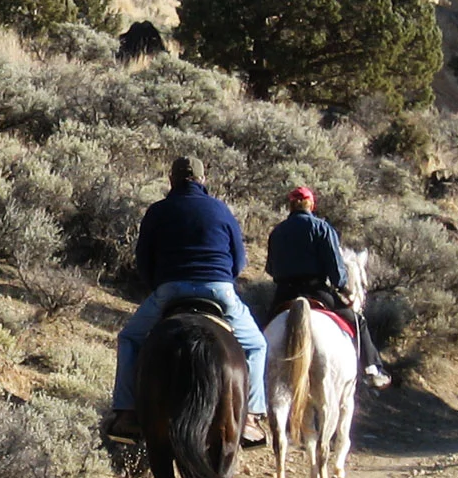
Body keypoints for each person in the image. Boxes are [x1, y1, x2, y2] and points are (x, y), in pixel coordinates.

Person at [105, 158, 266, 444]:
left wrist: (159, 284)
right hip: (219, 290)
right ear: (202, 180)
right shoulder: (220, 209)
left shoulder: (158, 211)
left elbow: (143, 260)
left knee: (129, 339)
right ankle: (251, 416)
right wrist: (222, 278)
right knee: (256, 345)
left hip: (171, 289)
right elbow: (239, 259)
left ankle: (127, 412)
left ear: (172, 180)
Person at [265, 185, 389, 386]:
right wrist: (341, 287)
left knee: (264, 330)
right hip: (316, 291)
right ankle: (372, 369)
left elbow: (271, 269)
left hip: (285, 293)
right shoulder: (322, 228)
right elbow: (335, 268)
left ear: (290, 205)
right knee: (358, 322)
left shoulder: (277, 231)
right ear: (311, 204)